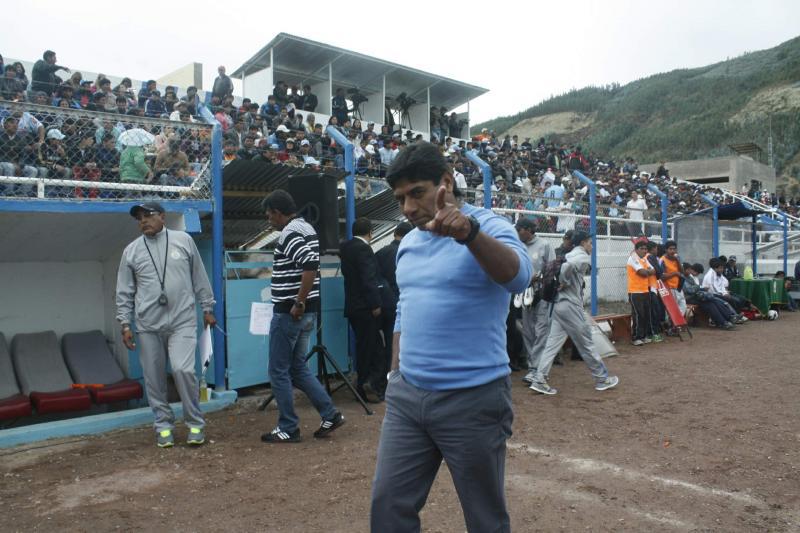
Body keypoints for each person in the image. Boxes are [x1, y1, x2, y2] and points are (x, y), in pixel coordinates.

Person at [370, 142, 532, 533]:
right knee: (388, 505)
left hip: (473, 398)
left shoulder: (489, 226)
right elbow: (404, 313)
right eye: (400, 198)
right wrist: (395, 376)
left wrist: (469, 234)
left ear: (445, 182)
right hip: (408, 398)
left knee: (484, 517)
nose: (408, 208)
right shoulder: (406, 244)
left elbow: (519, 276)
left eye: (417, 193)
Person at [116, 202, 216, 447]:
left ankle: (194, 424)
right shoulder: (132, 251)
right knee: (153, 378)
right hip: (148, 325)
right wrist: (124, 323)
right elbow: (124, 290)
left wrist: (207, 307)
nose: (143, 221)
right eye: (139, 218)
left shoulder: (183, 241)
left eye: (148, 215)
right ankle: (163, 426)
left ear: (162, 216)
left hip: (182, 320)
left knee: (184, 370)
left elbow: (199, 276)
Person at [260, 190, 345, 443]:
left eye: (269, 215)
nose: (269, 220)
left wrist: (298, 301)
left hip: (290, 312)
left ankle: (288, 427)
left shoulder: (290, 232)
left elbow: (309, 264)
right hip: (304, 313)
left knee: (278, 370)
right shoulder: (306, 227)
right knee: (297, 368)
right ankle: (330, 414)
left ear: (278, 212)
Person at [528, 230, 620, 395]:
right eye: (590, 242)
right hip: (570, 306)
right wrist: (563, 280)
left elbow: (563, 267)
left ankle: (539, 378)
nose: (591, 245)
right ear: (583, 243)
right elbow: (566, 268)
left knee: (551, 344)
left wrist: (562, 281)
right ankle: (602, 379)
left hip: (558, 305)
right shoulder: (582, 256)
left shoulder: (569, 254)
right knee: (586, 343)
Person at [339, 217, 384, 403]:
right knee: (373, 348)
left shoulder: (346, 248)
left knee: (363, 346)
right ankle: (366, 386)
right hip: (365, 307)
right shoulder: (364, 249)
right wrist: (375, 304)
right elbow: (368, 279)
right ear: (370, 233)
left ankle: (363, 384)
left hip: (352, 306)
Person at [373, 221, 413, 397]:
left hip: (380, 304)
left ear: (395, 232)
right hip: (400, 306)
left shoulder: (380, 252)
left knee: (379, 346)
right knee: (395, 346)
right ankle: (394, 381)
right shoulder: (409, 253)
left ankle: (379, 383)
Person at [514, 218, 555, 383]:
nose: (517, 233)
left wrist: (538, 279)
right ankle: (533, 366)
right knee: (528, 331)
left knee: (541, 330)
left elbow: (552, 269)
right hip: (524, 293)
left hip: (542, 293)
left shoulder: (544, 245)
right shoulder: (518, 245)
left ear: (528, 230)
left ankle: (537, 367)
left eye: (519, 230)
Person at [627, 238, 654, 346]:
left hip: (644, 290)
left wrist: (647, 271)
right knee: (638, 315)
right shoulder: (633, 258)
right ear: (636, 249)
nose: (644, 251)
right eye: (642, 249)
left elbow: (654, 270)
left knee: (646, 314)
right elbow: (643, 272)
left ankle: (643, 336)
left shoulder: (644, 259)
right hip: (635, 291)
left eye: (646, 249)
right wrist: (648, 271)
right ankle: (636, 337)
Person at [659, 240, 686, 314]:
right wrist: (675, 273)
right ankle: (673, 324)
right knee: (671, 309)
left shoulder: (677, 258)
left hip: (678, 287)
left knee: (683, 306)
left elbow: (682, 272)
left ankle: (678, 323)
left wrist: (677, 261)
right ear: (666, 250)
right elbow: (662, 277)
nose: (672, 251)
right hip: (668, 288)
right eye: (670, 249)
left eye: (674, 249)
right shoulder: (662, 260)